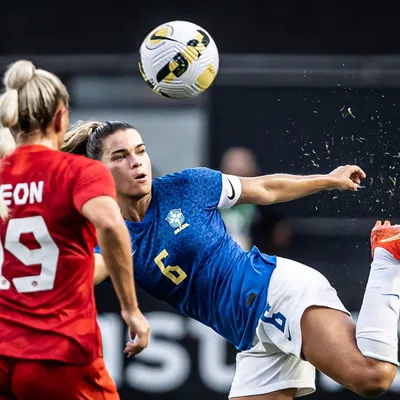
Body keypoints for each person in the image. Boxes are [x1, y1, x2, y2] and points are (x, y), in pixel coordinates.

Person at [64, 120, 399, 399]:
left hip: (272, 292)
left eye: (140, 151)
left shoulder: (186, 186)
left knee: (372, 376)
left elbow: (265, 188)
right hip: (251, 334)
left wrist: (327, 180)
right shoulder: (110, 233)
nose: (136, 162)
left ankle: (387, 255)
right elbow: (83, 274)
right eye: (120, 156)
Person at [0, 62, 149, 400]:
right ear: (60, 118)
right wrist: (131, 309)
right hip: (58, 353)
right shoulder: (78, 171)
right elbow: (110, 225)